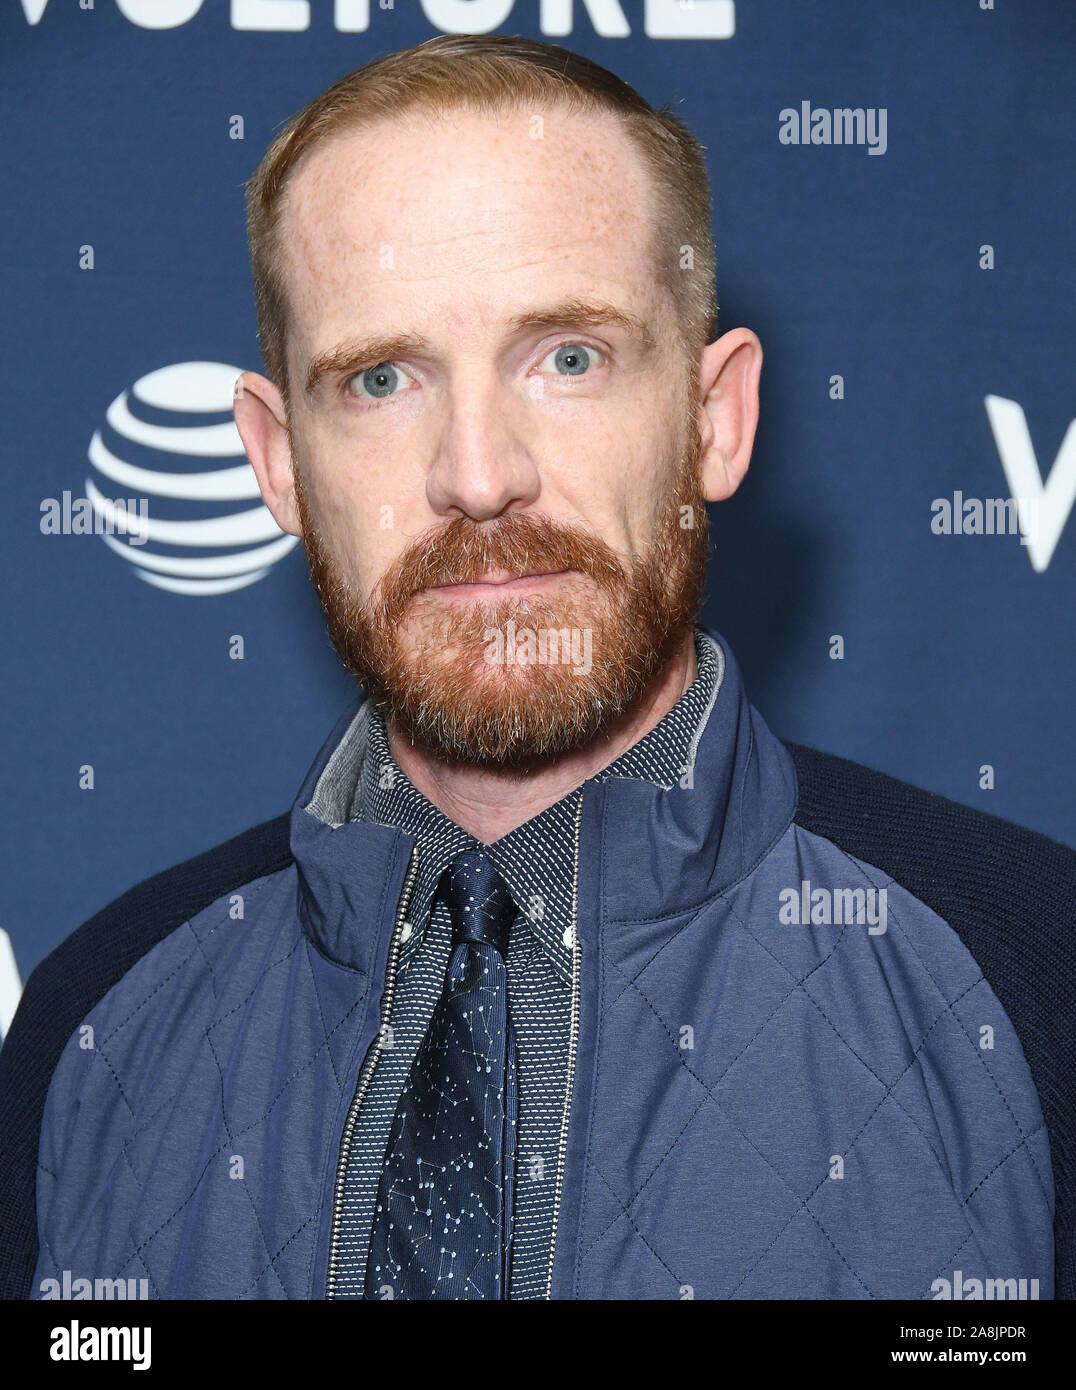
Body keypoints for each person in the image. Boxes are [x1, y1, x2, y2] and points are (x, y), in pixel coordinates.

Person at [1, 33, 1071, 1302]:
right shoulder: (94, 1035)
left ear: (714, 418)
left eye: (568, 357)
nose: (476, 473)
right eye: (380, 378)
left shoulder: (1036, 979)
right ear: (278, 462)